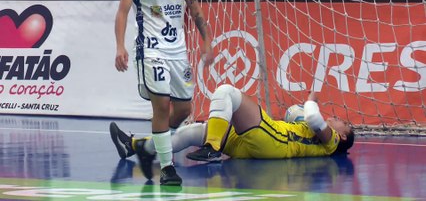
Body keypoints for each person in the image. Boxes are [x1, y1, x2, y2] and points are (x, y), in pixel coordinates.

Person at [110, 84, 355, 180]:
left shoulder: (331, 141)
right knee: (193, 133)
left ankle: (213, 148)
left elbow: (312, 115)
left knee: (226, 92)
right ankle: (133, 145)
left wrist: (311, 99)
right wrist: (300, 109)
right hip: (259, 144)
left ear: (342, 136)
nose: (336, 118)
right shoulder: (316, 137)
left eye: (343, 122)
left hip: (274, 141)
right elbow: (297, 114)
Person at [112, 0, 214, 186]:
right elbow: (122, 13)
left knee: (184, 110)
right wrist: (120, 46)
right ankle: (167, 168)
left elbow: (195, 10)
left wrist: (207, 40)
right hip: (151, 51)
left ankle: (145, 148)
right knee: (161, 105)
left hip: (178, 51)